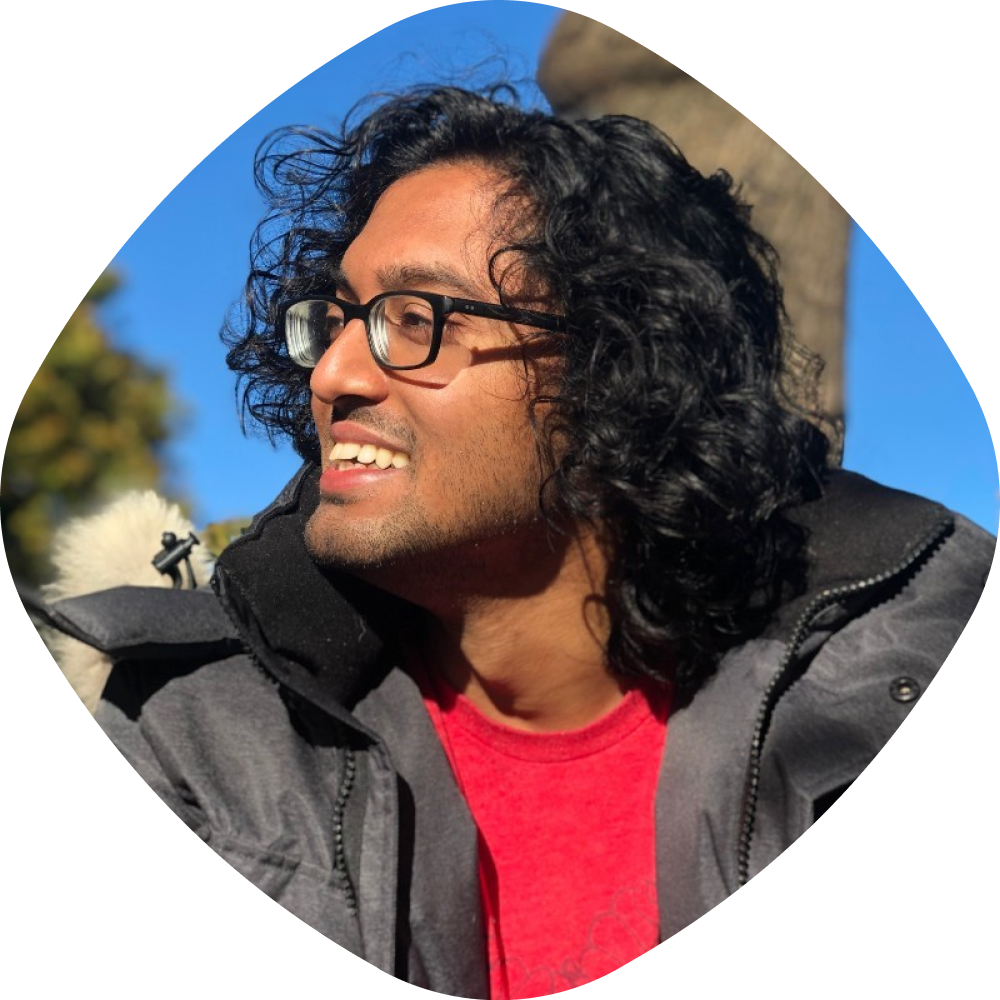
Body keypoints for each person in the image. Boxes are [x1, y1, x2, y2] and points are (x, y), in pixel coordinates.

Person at [36, 83, 993, 996]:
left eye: (415, 317)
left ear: (617, 372)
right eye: (336, 319)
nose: (330, 374)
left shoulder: (892, 676)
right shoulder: (187, 733)